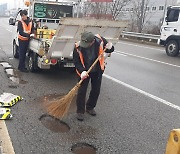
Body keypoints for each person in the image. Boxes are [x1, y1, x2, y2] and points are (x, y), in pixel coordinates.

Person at [73, 31, 114, 121]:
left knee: (96, 90)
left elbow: (110, 50)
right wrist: (82, 71)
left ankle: (90, 107)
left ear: (92, 41)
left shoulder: (100, 41)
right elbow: (76, 61)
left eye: (87, 44)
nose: (84, 45)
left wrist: (110, 47)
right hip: (84, 71)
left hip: (97, 70)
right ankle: (80, 111)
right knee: (81, 91)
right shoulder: (77, 46)